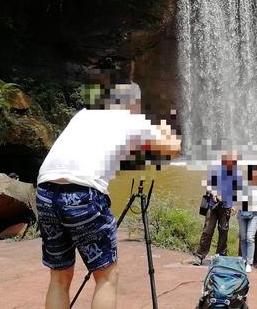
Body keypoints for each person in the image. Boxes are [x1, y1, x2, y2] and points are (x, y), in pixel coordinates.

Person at [36, 83, 181, 309]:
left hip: (45, 191)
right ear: (133, 105)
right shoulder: (132, 120)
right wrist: (166, 128)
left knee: (59, 277)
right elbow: (172, 149)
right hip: (82, 194)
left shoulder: (84, 114)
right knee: (106, 276)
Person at [193, 151, 243, 266]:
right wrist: (213, 193)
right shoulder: (214, 169)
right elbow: (208, 185)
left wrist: (235, 206)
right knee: (207, 230)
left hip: (226, 206)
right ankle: (200, 256)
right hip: (212, 205)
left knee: (223, 232)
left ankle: (220, 256)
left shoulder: (237, 173)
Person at [237, 164, 257, 272]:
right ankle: (243, 260)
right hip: (242, 214)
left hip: (254, 215)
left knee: (250, 237)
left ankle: (249, 263)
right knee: (242, 237)